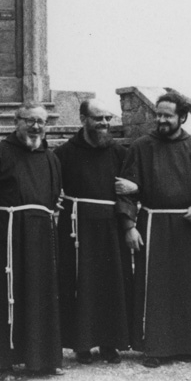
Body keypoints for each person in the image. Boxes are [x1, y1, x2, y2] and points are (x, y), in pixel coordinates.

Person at [0, 101, 64, 381]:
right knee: (6, 296)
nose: (35, 126)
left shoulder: (50, 158)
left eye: (41, 121)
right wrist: (1, 227)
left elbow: (52, 197)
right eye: (29, 120)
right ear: (17, 121)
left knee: (40, 295)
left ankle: (43, 359)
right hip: (6, 236)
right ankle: (7, 362)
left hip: (39, 236)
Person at [119, 92, 191, 368]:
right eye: (159, 114)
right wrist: (129, 225)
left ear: (182, 117)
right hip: (154, 224)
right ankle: (155, 346)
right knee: (156, 288)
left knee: (188, 285)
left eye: (168, 115)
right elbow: (125, 188)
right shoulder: (141, 146)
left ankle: (190, 345)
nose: (161, 120)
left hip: (187, 225)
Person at [55, 98, 136, 365]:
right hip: (77, 229)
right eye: (98, 118)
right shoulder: (64, 153)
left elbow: (131, 190)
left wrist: (128, 222)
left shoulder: (119, 152)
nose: (103, 124)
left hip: (111, 228)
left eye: (107, 119)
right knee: (81, 284)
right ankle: (82, 343)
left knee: (112, 284)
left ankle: (110, 343)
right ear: (83, 119)